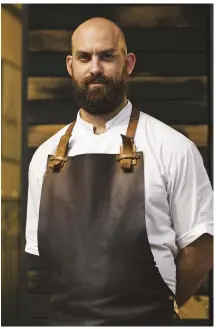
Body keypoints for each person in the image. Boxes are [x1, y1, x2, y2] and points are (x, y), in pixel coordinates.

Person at [25, 17, 213, 326]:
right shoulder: (44, 158)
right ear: (71, 66)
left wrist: (153, 310)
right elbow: (46, 259)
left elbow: (203, 248)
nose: (95, 68)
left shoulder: (173, 147)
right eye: (85, 57)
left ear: (128, 63)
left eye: (107, 56)